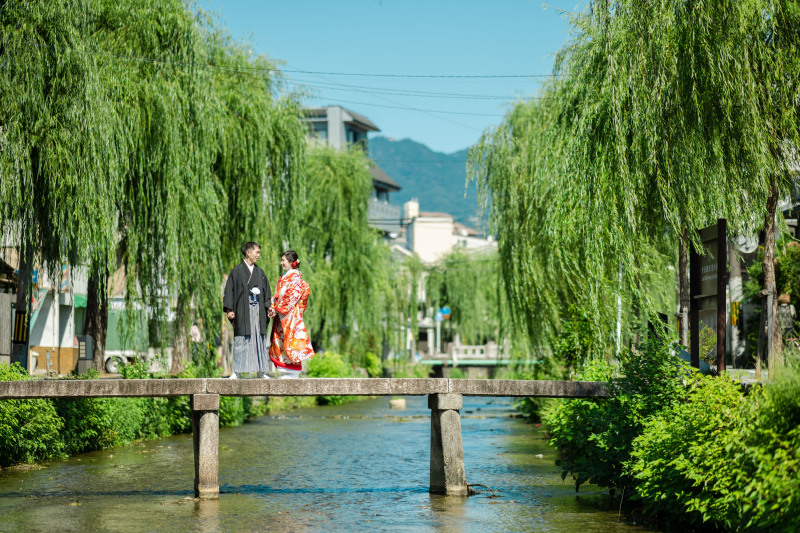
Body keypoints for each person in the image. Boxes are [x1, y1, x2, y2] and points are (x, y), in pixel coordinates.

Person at [223, 242, 272, 379]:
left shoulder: (260, 272)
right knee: (241, 340)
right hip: (242, 310)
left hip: (258, 311)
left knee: (259, 339)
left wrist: (268, 308)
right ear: (248, 253)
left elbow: (266, 291)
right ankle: (237, 371)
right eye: (256, 252)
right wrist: (229, 309)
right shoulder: (237, 271)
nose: (258, 255)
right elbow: (230, 290)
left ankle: (261, 371)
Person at [267, 250, 315, 378]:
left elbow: (291, 297)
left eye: (284, 260)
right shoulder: (285, 277)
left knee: (291, 342)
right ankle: (284, 370)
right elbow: (278, 296)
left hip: (290, 317)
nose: (281, 263)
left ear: (291, 262)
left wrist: (277, 309)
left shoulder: (295, 278)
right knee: (280, 341)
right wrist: (273, 307)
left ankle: (292, 372)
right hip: (282, 315)